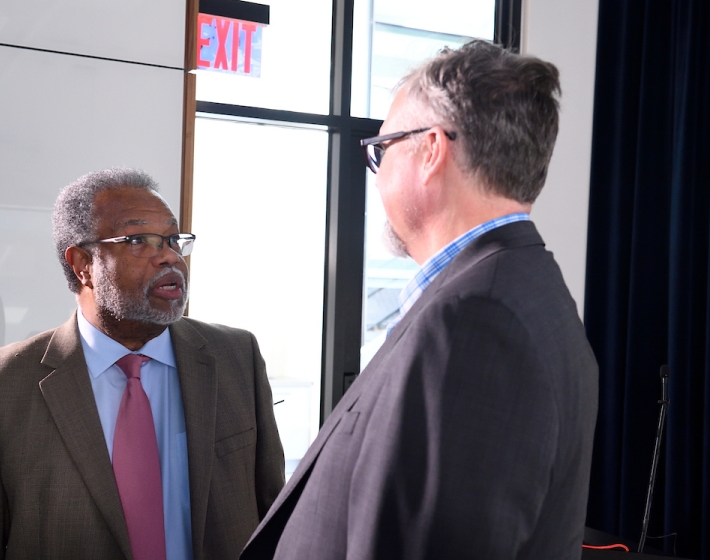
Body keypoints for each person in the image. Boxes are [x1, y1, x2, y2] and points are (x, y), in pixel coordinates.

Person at [242, 41, 599, 560]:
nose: (378, 172)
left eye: (381, 149)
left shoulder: (475, 323)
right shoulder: (516, 290)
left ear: (431, 150)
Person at [0, 168, 285, 560]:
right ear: (82, 264)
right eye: (140, 240)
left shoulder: (235, 357)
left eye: (173, 239)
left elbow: (274, 516)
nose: (170, 256)